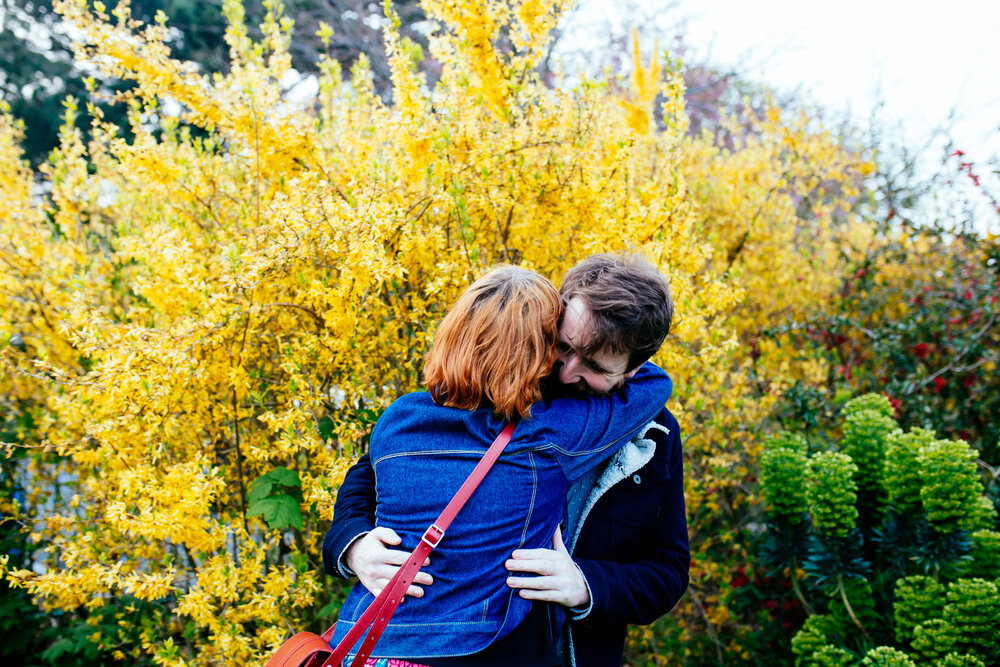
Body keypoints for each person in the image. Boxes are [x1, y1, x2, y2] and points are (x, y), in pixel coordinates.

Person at [325, 254, 690, 667]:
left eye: (595, 365)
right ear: (554, 319)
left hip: (553, 649)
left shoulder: (652, 437)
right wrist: (354, 545)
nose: (568, 373)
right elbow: (367, 477)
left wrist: (586, 585)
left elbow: (668, 571)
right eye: (564, 347)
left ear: (636, 367)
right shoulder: (495, 393)